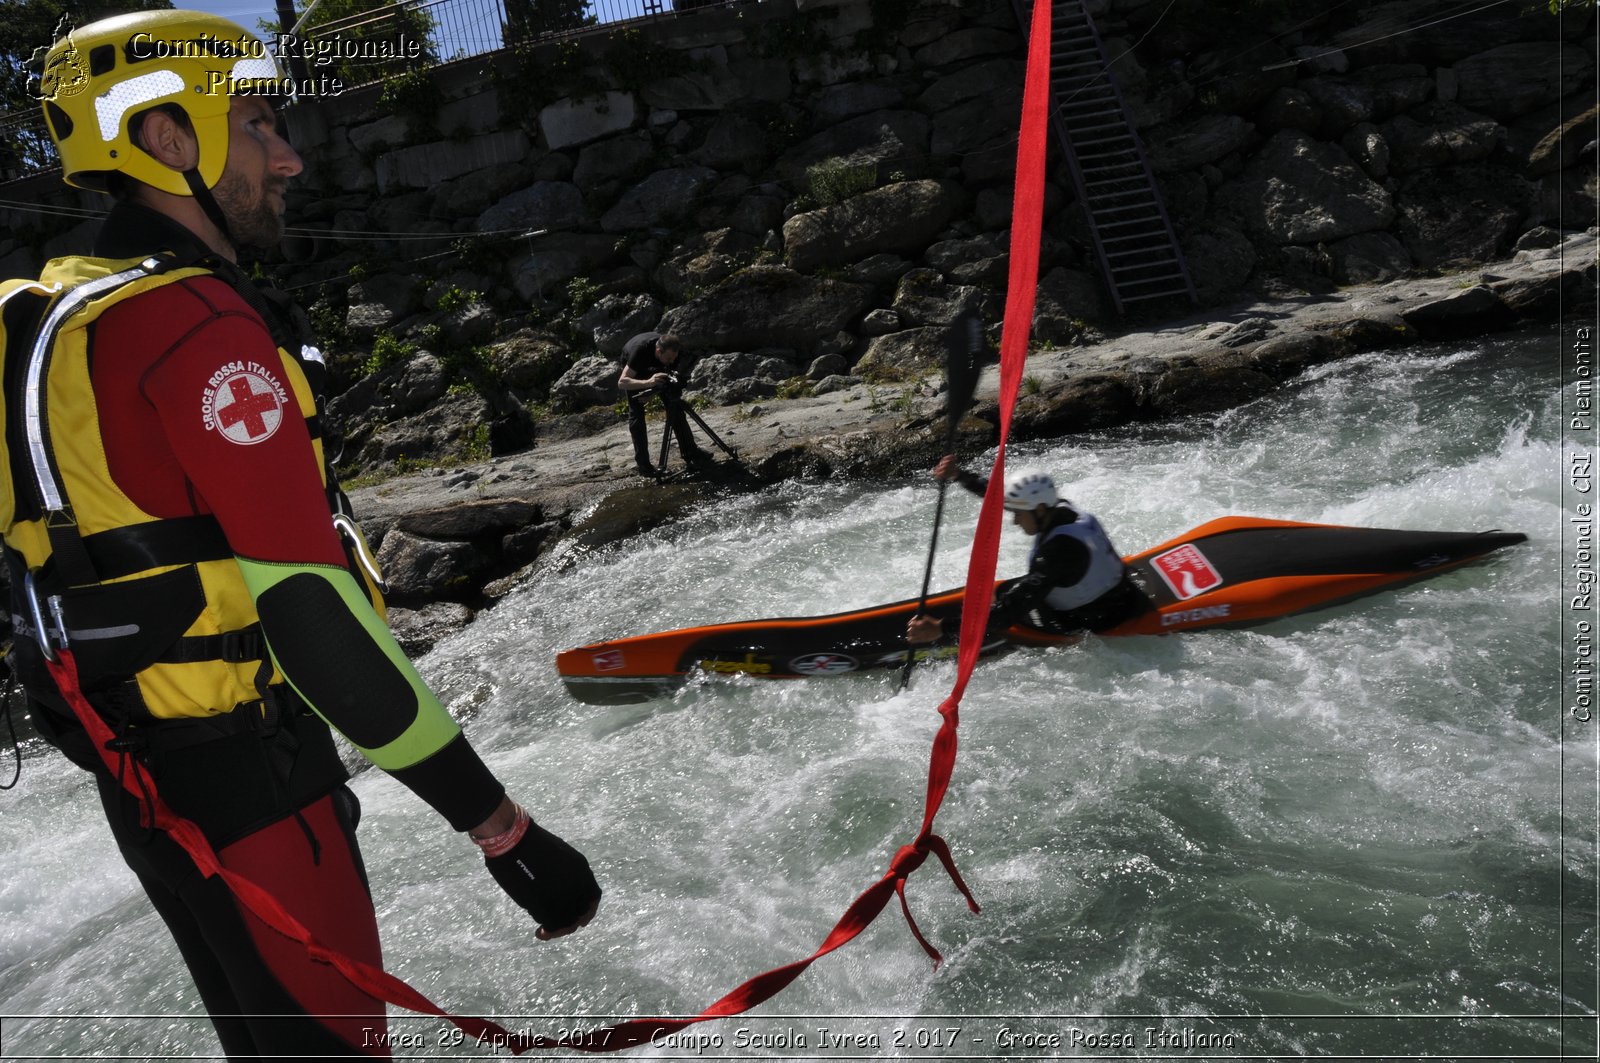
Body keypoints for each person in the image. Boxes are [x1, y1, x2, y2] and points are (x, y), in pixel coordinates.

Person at [4, 11, 599, 1058]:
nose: (289, 158)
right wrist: (502, 829)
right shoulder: (196, 328)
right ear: (165, 139)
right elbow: (311, 613)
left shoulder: (51, 315)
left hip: (140, 773)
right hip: (256, 782)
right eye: (257, 122)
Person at [906, 456, 1151, 645]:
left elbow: (1006, 616)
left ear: (1040, 510)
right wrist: (959, 476)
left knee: (1005, 603)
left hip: (1094, 618)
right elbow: (998, 497)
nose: (1014, 521)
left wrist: (941, 628)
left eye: (1018, 515)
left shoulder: (1057, 553)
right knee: (1006, 592)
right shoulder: (1063, 509)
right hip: (1122, 593)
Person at [617, 330, 711, 475]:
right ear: (659, 350)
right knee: (637, 415)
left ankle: (691, 453)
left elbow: (669, 376)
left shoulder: (672, 354)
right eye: (668, 359)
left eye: (674, 358)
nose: (672, 362)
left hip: (656, 370)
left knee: (675, 407)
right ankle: (644, 466)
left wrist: (653, 392)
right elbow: (622, 383)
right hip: (636, 373)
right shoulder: (640, 351)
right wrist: (648, 384)